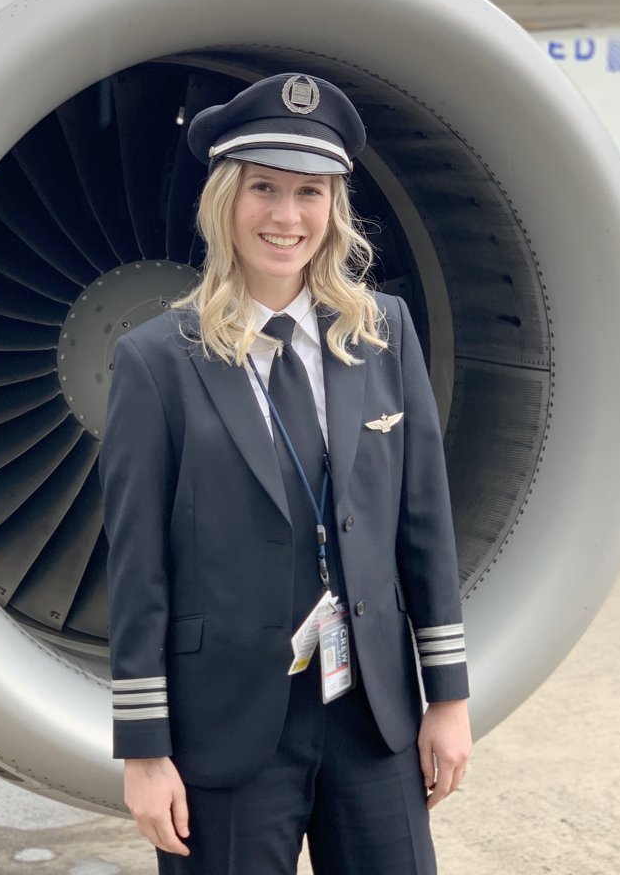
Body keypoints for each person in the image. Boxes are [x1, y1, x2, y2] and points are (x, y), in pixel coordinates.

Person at [98, 73, 471, 875]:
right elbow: (137, 571)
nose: (285, 216)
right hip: (225, 726)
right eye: (263, 187)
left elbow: (423, 526)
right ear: (225, 199)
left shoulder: (385, 335)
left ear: (333, 209)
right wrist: (144, 751)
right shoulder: (156, 362)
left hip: (370, 715)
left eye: (309, 192)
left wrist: (448, 698)